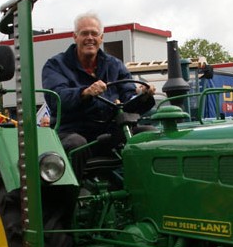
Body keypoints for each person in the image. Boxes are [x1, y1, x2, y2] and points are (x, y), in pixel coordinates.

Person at [41, 11, 153, 172]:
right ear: (75, 37)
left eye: (94, 33)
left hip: (110, 131)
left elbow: (129, 96)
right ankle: (72, 187)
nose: (90, 38)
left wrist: (143, 94)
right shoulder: (56, 65)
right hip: (72, 130)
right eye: (84, 33)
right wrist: (84, 93)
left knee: (149, 135)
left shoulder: (114, 65)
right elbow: (56, 98)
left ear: (101, 38)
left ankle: (143, 184)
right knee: (76, 144)